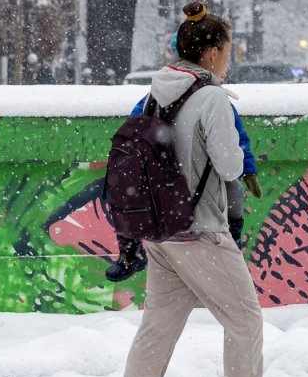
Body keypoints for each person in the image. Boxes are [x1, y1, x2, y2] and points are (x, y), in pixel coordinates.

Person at [113, 3, 292, 377]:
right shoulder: (210, 96)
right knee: (245, 318)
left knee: (160, 321)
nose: (229, 60)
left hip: (160, 229)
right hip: (200, 228)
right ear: (211, 53)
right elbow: (230, 166)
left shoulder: (155, 93)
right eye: (228, 51)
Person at [107, 92, 259, 282]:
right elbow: (132, 131)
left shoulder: (213, 100)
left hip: (200, 172)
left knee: (234, 191)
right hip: (160, 169)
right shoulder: (154, 98)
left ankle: (233, 242)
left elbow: (235, 139)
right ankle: (130, 250)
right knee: (124, 189)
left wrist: (248, 168)